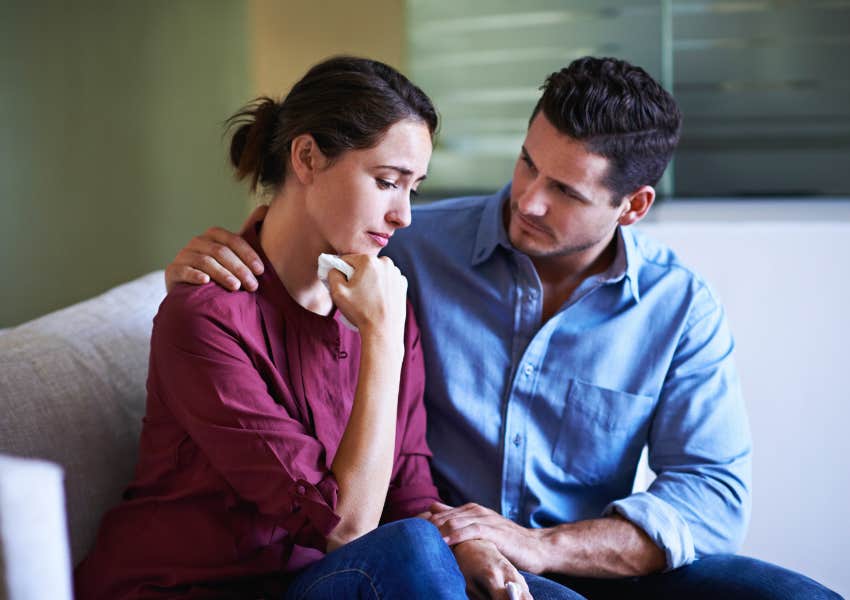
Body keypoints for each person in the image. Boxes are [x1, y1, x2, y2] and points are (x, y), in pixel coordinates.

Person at [165, 57, 843, 599]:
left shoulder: (678, 306)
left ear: (633, 206)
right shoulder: (408, 251)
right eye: (527, 163)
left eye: (568, 191)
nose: (528, 199)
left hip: (585, 557)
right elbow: (292, 259)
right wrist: (203, 267)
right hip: (436, 557)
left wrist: (542, 546)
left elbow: (713, 499)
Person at [75, 56, 532, 600]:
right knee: (410, 549)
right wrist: (383, 339)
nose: (404, 215)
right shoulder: (207, 317)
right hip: (202, 586)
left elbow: (407, 489)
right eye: (387, 182)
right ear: (308, 157)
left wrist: (466, 545)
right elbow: (344, 527)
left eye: (413, 188)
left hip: (327, 580)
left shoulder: (382, 300)